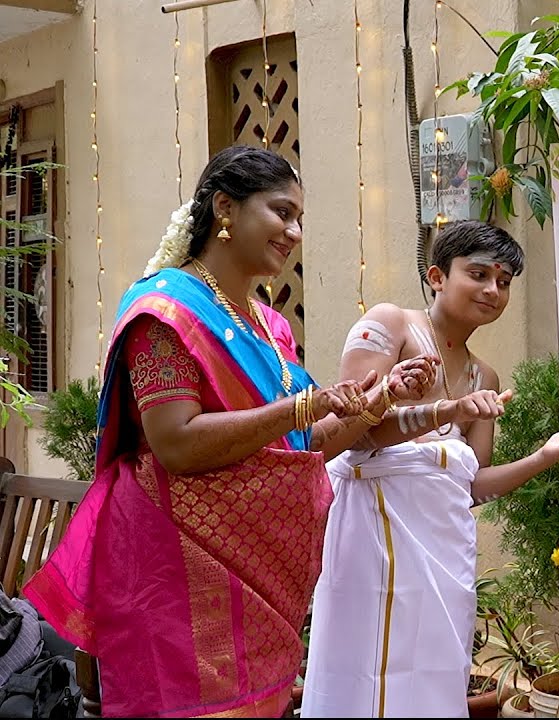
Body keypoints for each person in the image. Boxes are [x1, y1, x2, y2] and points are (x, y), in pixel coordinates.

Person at [22, 145, 436, 718]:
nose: (293, 232)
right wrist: (297, 408)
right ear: (225, 207)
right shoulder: (165, 313)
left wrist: (382, 397)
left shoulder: (269, 324)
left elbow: (303, 446)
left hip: (260, 586)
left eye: (299, 220)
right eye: (281, 212)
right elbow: (176, 443)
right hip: (173, 577)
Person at [302, 220, 559, 718]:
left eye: (503, 281)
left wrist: (547, 455)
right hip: (376, 532)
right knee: (370, 666)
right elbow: (354, 429)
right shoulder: (389, 324)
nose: (492, 290)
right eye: (477, 274)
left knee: (437, 670)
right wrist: (447, 411)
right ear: (436, 276)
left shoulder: (485, 374)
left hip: (446, 546)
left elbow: (473, 485)